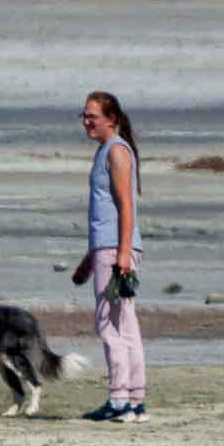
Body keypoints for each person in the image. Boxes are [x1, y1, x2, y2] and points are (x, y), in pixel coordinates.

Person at [70, 90, 147, 422]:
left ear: (111, 119)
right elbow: (105, 213)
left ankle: (119, 400)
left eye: (93, 116)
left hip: (117, 250)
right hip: (109, 249)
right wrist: (89, 259)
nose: (87, 121)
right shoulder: (107, 151)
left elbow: (125, 207)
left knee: (110, 327)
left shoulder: (116, 151)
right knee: (125, 325)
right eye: (84, 115)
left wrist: (123, 254)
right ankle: (134, 401)